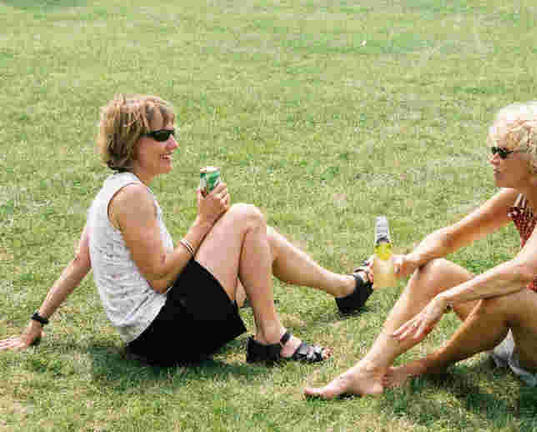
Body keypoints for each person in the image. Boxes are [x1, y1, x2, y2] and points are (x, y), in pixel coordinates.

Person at [0, 94, 374, 366]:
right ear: (133, 143)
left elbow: (80, 260)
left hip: (157, 331)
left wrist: (36, 323)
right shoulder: (131, 197)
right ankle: (271, 337)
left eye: (172, 133)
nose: (174, 144)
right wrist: (204, 220)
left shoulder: (111, 191)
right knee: (245, 216)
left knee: (256, 236)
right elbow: (161, 278)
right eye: (163, 136)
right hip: (164, 335)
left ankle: (347, 290)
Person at [304, 101, 537, 398]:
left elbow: (523, 271)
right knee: (436, 269)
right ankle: (369, 370)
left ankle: (429, 366)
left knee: (509, 292)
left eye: (503, 152)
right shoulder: (519, 194)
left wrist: (447, 298)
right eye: (494, 149)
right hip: (530, 324)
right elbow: (452, 238)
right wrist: (411, 260)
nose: (492, 158)